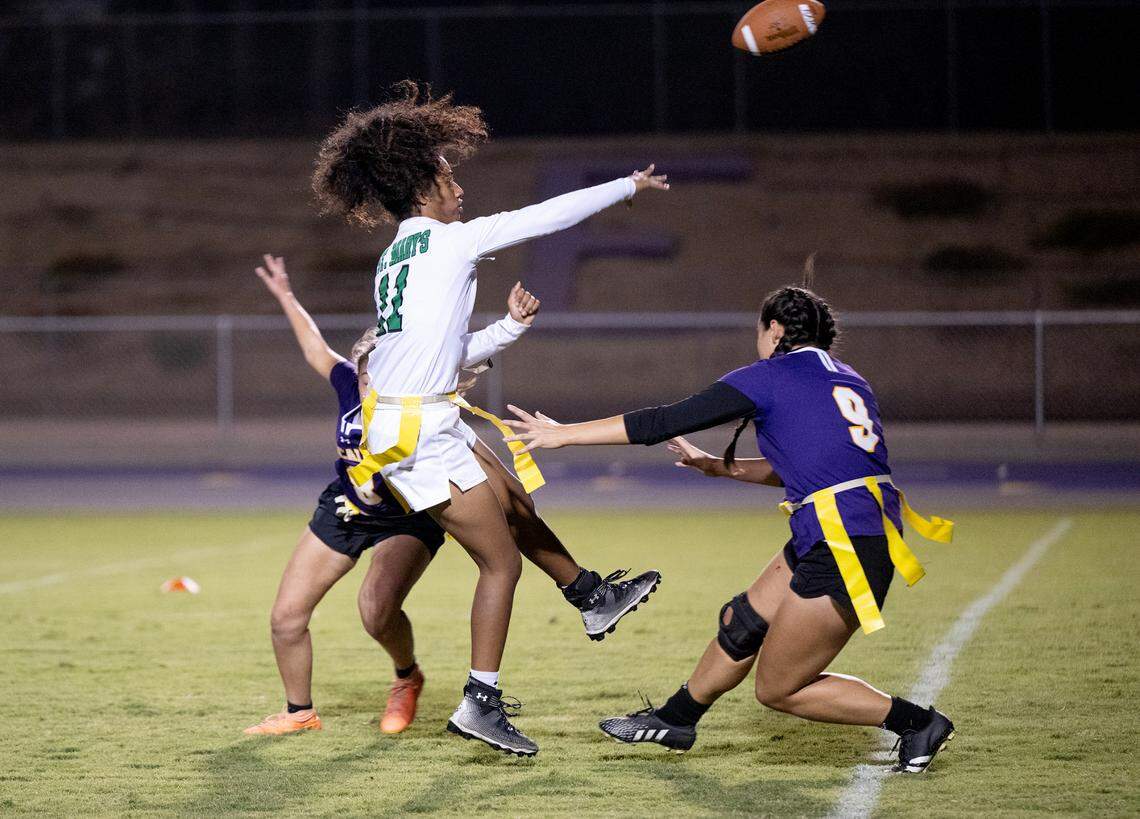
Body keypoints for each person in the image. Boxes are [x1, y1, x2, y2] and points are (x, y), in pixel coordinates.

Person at [311, 81, 669, 756]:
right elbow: (546, 216)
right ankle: (481, 701)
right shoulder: (450, 243)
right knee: (499, 563)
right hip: (419, 433)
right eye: (448, 174)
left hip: (419, 420)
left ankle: (590, 594)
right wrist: (626, 185)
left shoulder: (396, 256)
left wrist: (507, 328)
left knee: (513, 496)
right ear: (422, 185)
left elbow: (437, 353)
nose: (458, 186)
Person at [504, 285, 956, 773]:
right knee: (742, 621)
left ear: (776, 330)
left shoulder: (771, 376)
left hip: (843, 538)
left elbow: (664, 420)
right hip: (847, 526)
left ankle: (919, 723)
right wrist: (722, 468)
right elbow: (813, 465)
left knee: (780, 687)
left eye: (760, 331)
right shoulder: (848, 379)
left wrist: (562, 435)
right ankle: (676, 720)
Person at [245, 255, 661, 740]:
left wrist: (501, 332)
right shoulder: (348, 385)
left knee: (376, 609)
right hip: (350, 507)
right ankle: (300, 712)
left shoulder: (419, 404)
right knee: (286, 617)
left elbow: (456, 369)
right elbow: (315, 348)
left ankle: (407, 678)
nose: (374, 381)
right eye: (368, 373)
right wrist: (287, 296)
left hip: (412, 510)